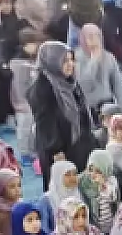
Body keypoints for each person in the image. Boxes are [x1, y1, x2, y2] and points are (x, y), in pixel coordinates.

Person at [29, 41, 99, 171]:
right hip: (60, 150)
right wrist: (56, 150)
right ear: (53, 61)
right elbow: (46, 124)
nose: (71, 64)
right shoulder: (42, 88)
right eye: (65, 61)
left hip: (79, 144)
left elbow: (82, 109)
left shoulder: (70, 82)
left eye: (72, 60)